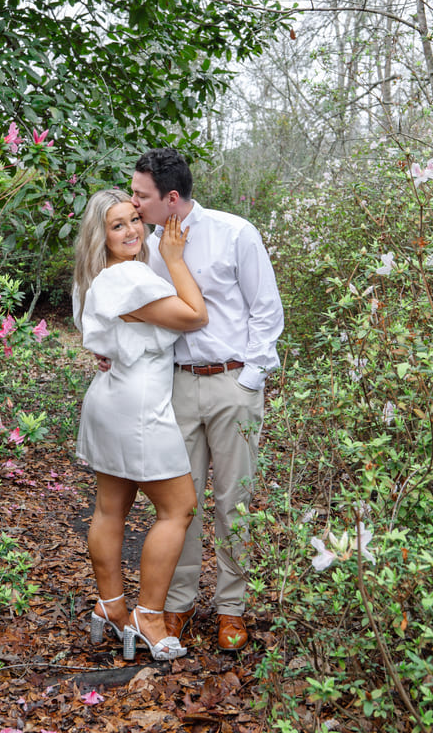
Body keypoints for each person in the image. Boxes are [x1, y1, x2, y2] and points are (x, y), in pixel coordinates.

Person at [129, 148, 283, 653]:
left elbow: (265, 309)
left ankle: (231, 608)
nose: (135, 205)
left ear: (171, 199)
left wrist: (251, 379)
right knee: (180, 502)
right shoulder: (147, 247)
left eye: (142, 196)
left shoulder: (234, 233)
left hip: (232, 382)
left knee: (233, 500)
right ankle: (178, 603)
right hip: (174, 383)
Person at [73, 187, 208, 661]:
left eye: (134, 219)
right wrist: (173, 256)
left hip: (110, 399)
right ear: (101, 235)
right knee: (179, 508)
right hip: (139, 405)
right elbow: (195, 315)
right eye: (118, 225)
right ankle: (148, 616)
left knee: (112, 508)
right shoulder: (131, 277)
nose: (132, 230)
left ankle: (110, 607)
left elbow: (99, 338)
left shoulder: (95, 277)